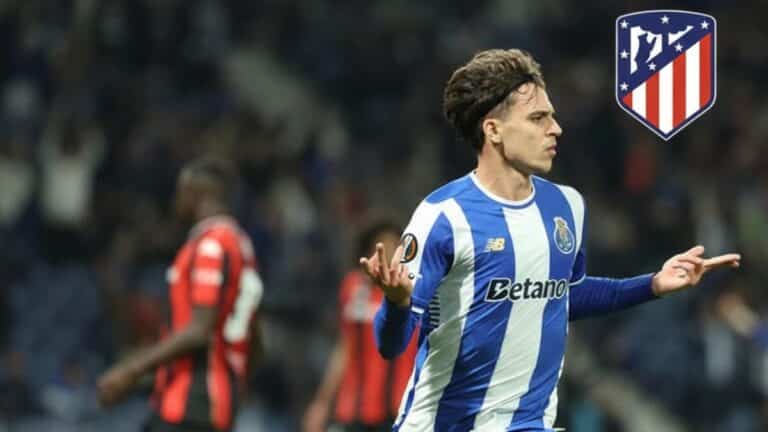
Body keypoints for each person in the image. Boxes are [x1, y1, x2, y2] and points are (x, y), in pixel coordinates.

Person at [359, 49, 741, 431]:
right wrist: (396, 303)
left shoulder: (567, 206)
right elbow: (390, 346)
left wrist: (653, 284)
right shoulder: (442, 216)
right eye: (538, 118)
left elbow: (564, 296)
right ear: (493, 129)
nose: (556, 128)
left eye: (552, 116)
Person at [97, 157, 264, 432]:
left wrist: (130, 371)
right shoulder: (242, 247)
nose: (175, 201)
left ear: (196, 193)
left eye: (179, 192)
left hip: (190, 404)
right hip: (217, 402)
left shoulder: (211, 245)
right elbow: (254, 337)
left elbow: (199, 331)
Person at [303, 221, 419, 432]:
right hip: (353, 409)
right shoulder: (353, 287)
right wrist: (321, 403)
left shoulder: (415, 290)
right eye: (381, 247)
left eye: (394, 247)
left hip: (399, 409)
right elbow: (344, 347)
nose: (388, 253)